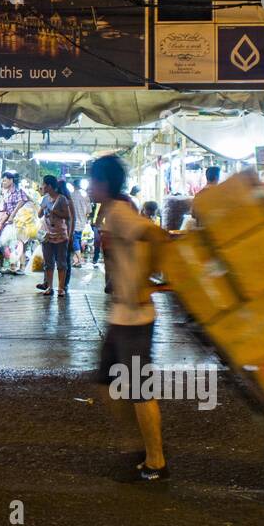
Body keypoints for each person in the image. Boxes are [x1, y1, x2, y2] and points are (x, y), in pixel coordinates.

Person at [88, 154, 170, 481]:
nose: (90, 187)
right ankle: (136, 443)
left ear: (105, 184)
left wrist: (144, 283)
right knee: (106, 383)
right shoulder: (111, 210)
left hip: (135, 319)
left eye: (93, 181)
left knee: (139, 390)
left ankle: (156, 461)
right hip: (121, 317)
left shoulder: (121, 212)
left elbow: (156, 235)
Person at [37, 175, 72, 297]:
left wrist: (54, 211)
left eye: (44, 184)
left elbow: (67, 216)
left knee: (61, 263)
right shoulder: (45, 199)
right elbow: (39, 215)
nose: (42, 186)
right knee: (48, 263)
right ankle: (50, 287)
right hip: (46, 234)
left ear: (50, 186)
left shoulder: (62, 199)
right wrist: (42, 208)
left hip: (60, 235)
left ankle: (61, 288)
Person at [0, 170, 30, 273]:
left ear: (11, 180)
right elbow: (7, 212)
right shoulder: (7, 194)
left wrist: (13, 215)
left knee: (19, 243)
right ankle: (13, 266)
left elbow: (22, 201)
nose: (3, 183)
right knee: (8, 243)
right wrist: (0, 223)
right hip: (11, 223)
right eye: (3, 181)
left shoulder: (18, 191)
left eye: (5, 181)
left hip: (20, 222)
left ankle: (21, 267)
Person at [69, 178, 91, 268]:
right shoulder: (86, 196)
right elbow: (89, 211)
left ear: (74, 186)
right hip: (82, 222)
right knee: (77, 240)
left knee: (75, 241)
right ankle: (76, 261)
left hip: (73, 222)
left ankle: (80, 259)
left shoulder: (71, 195)